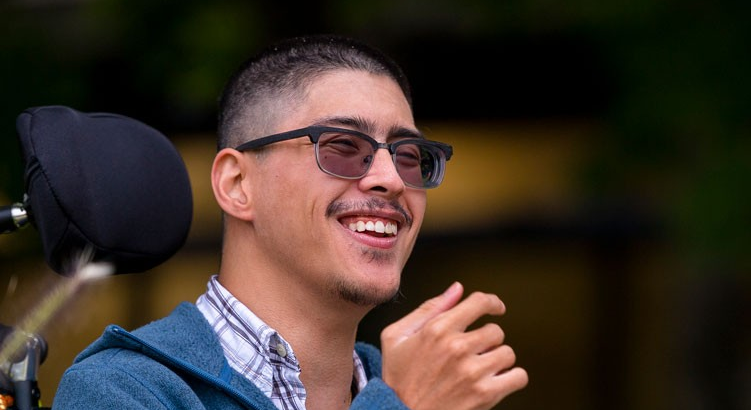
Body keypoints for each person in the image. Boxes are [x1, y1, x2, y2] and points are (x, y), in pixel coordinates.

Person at [52, 34, 528, 410]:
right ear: (238, 184)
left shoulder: (431, 387)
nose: (391, 179)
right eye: (343, 146)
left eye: (409, 155)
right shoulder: (122, 390)